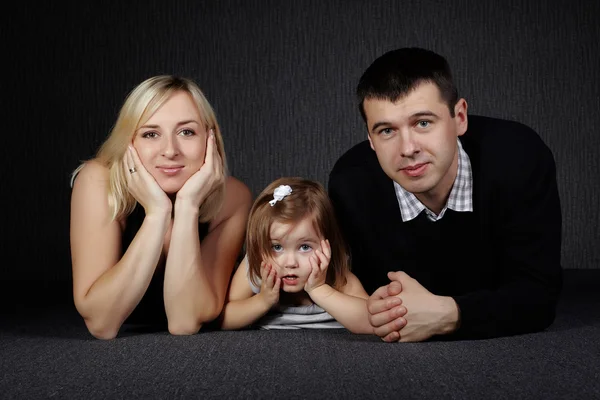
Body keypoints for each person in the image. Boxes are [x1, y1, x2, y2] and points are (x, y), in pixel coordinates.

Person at [328, 47, 562, 342]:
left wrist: (449, 314)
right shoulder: (351, 184)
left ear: (460, 117)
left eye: (423, 123)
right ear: (371, 140)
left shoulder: (519, 158)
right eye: (387, 131)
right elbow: (373, 297)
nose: (408, 148)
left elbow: (539, 297)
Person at [70, 75, 252, 339]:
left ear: (209, 139)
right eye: (151, 134)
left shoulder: (232, 197)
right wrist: (157, 214)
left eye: (186, 132)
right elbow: (101, 323)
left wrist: (188, 206)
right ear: (129, 141)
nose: (170, 150)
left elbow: (185, 322)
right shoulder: (98, 181)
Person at [219, 177, 373, 333]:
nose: (291, 263)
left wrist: (319, 289)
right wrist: (263, 300)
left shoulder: (335, 274)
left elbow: (372, 320)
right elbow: (223, 319)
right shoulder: (256, 268)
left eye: (305, 247)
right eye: (277, 247)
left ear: (328, 246)